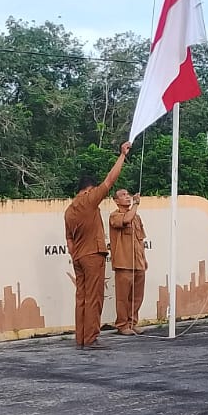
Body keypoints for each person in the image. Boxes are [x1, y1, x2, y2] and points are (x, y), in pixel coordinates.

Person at [64, 142, 132, 348]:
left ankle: (81, 338)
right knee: (94, 298)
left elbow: (68, 238)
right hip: (92, 255)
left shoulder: (69, 210)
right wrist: (122, 155)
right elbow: (110, 180)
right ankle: (91, 338)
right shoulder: (89, 199)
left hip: (78, 256)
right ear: (89, 189)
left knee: (81, 298)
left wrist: (75, 253)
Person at [107, 188, 147, 335]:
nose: (127, 197)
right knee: (123, 297)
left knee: (137, 296)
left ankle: (132, 322)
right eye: (123, 195)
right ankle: (122, 325)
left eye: (128, 195)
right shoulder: (115, 216)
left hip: (138, 262)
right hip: (123, 263)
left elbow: (140, 239)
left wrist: (144, 258)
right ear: (116, 201)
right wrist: (136, 204)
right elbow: (126, 220)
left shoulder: (137, 217)